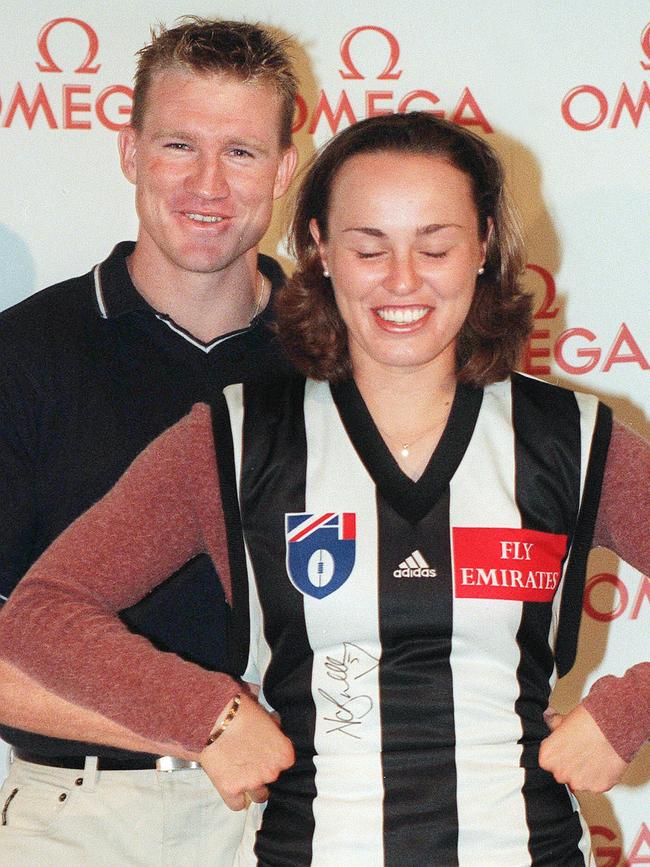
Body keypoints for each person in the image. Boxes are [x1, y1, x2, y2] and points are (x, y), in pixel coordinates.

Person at [0, 113, 648, 865]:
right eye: (368, 247)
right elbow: (38, 617)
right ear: (319, 249)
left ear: (483, 250)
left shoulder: (572, 434)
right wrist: (204, 715)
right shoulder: (240, 436)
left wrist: (629, 710)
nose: (402, 280)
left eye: (435, 245)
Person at [0, 17, 297, 867]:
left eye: (241, 152)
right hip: (81, 821)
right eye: (179, 145)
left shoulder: (341, 363)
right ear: (129, 151)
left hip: (302, 810)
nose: (208, 183)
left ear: (284, 167)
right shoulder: (23, 355)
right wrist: (205, 722)